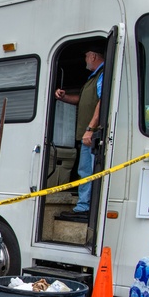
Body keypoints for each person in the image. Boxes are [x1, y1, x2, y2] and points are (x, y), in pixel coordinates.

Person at [54, 42, 104, 220]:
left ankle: (84, 207)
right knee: (85, 170)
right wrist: (64, 97)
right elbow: (82, 100)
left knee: (86, 171)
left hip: (92, 135)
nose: (85, 59)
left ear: (92, 56)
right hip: (87, 134)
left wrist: (90, 129)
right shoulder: (92, 78)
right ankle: (84, 205)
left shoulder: (102, 75)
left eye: (85, 56)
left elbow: (101, 102)